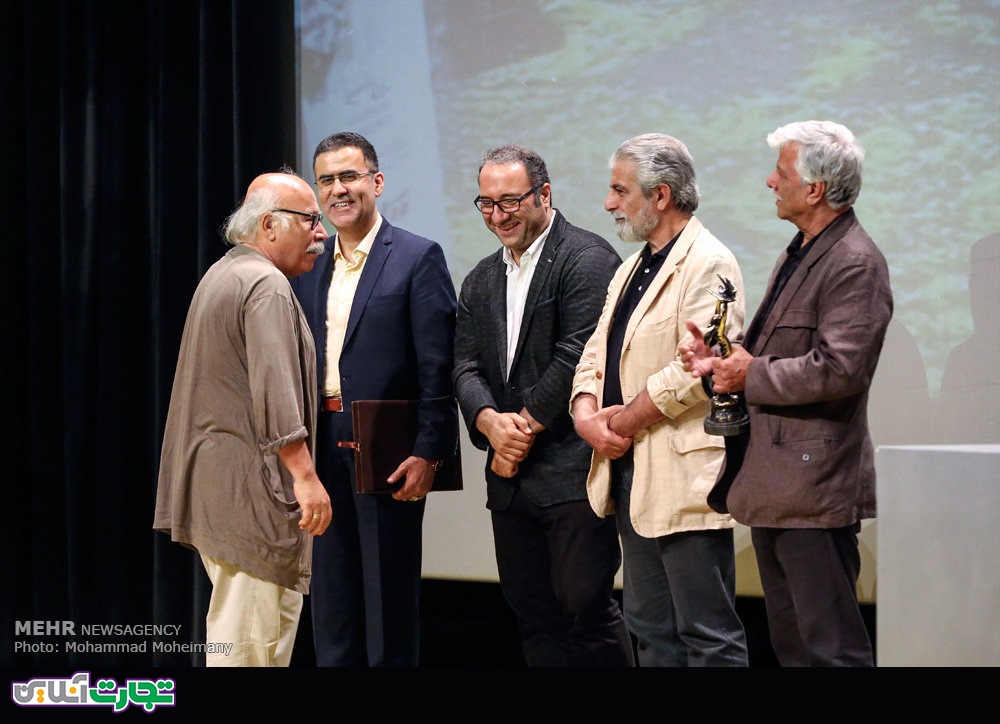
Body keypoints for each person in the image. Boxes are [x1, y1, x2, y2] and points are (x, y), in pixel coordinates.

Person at [680, 120, 892, 667]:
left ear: (815, 189)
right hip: (780, 485)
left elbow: (840, 369)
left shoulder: (854, 261)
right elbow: (767, 352)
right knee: (795, 646)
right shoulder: (800, 249)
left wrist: (746, 375)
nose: (770, 182)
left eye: (781, 172)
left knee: (830, 651)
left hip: (814, 488)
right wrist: (717, 363)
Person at [570, 133, 749, 667]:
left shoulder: (711, 262)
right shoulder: (629, 268)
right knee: (650, 630)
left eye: (619, 190)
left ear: (662, 195)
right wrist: (584, 416)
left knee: (707, 636)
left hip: (684, 476)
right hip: (632, 474)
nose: (609, 203)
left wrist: (619, 422)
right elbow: (594, 352)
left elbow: (695, 373)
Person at [453, 144, 634, 667]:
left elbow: (578, 353)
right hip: (511, 484)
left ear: (544, 194)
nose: (498, 215)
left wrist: (522, 428)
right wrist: (489, 423)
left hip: (571, 473)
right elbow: (464, 366)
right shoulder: (481, 277)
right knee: (532, 614)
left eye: (509, 201)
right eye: (486, 204)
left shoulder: (587, 257)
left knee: (585, 609)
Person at [290, 131, 458, 667]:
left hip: (388, 450)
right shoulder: (309, 264)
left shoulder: (416, 256)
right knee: (332, 605)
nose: (338, 190)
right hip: (321, 445)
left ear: (376, 183)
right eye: (327, 180)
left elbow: (439, 367)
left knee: (386, 606)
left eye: (349, 176)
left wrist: (430, 451)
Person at [154, 170, 333, 667]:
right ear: (270, 224)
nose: (321, 233)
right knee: (251, 651)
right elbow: (275, 392)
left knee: (251, 642)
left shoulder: (224, 272)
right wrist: (305, 476)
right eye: (311, 220)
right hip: (252, 498)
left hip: (225, 491)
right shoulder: (265, 284)